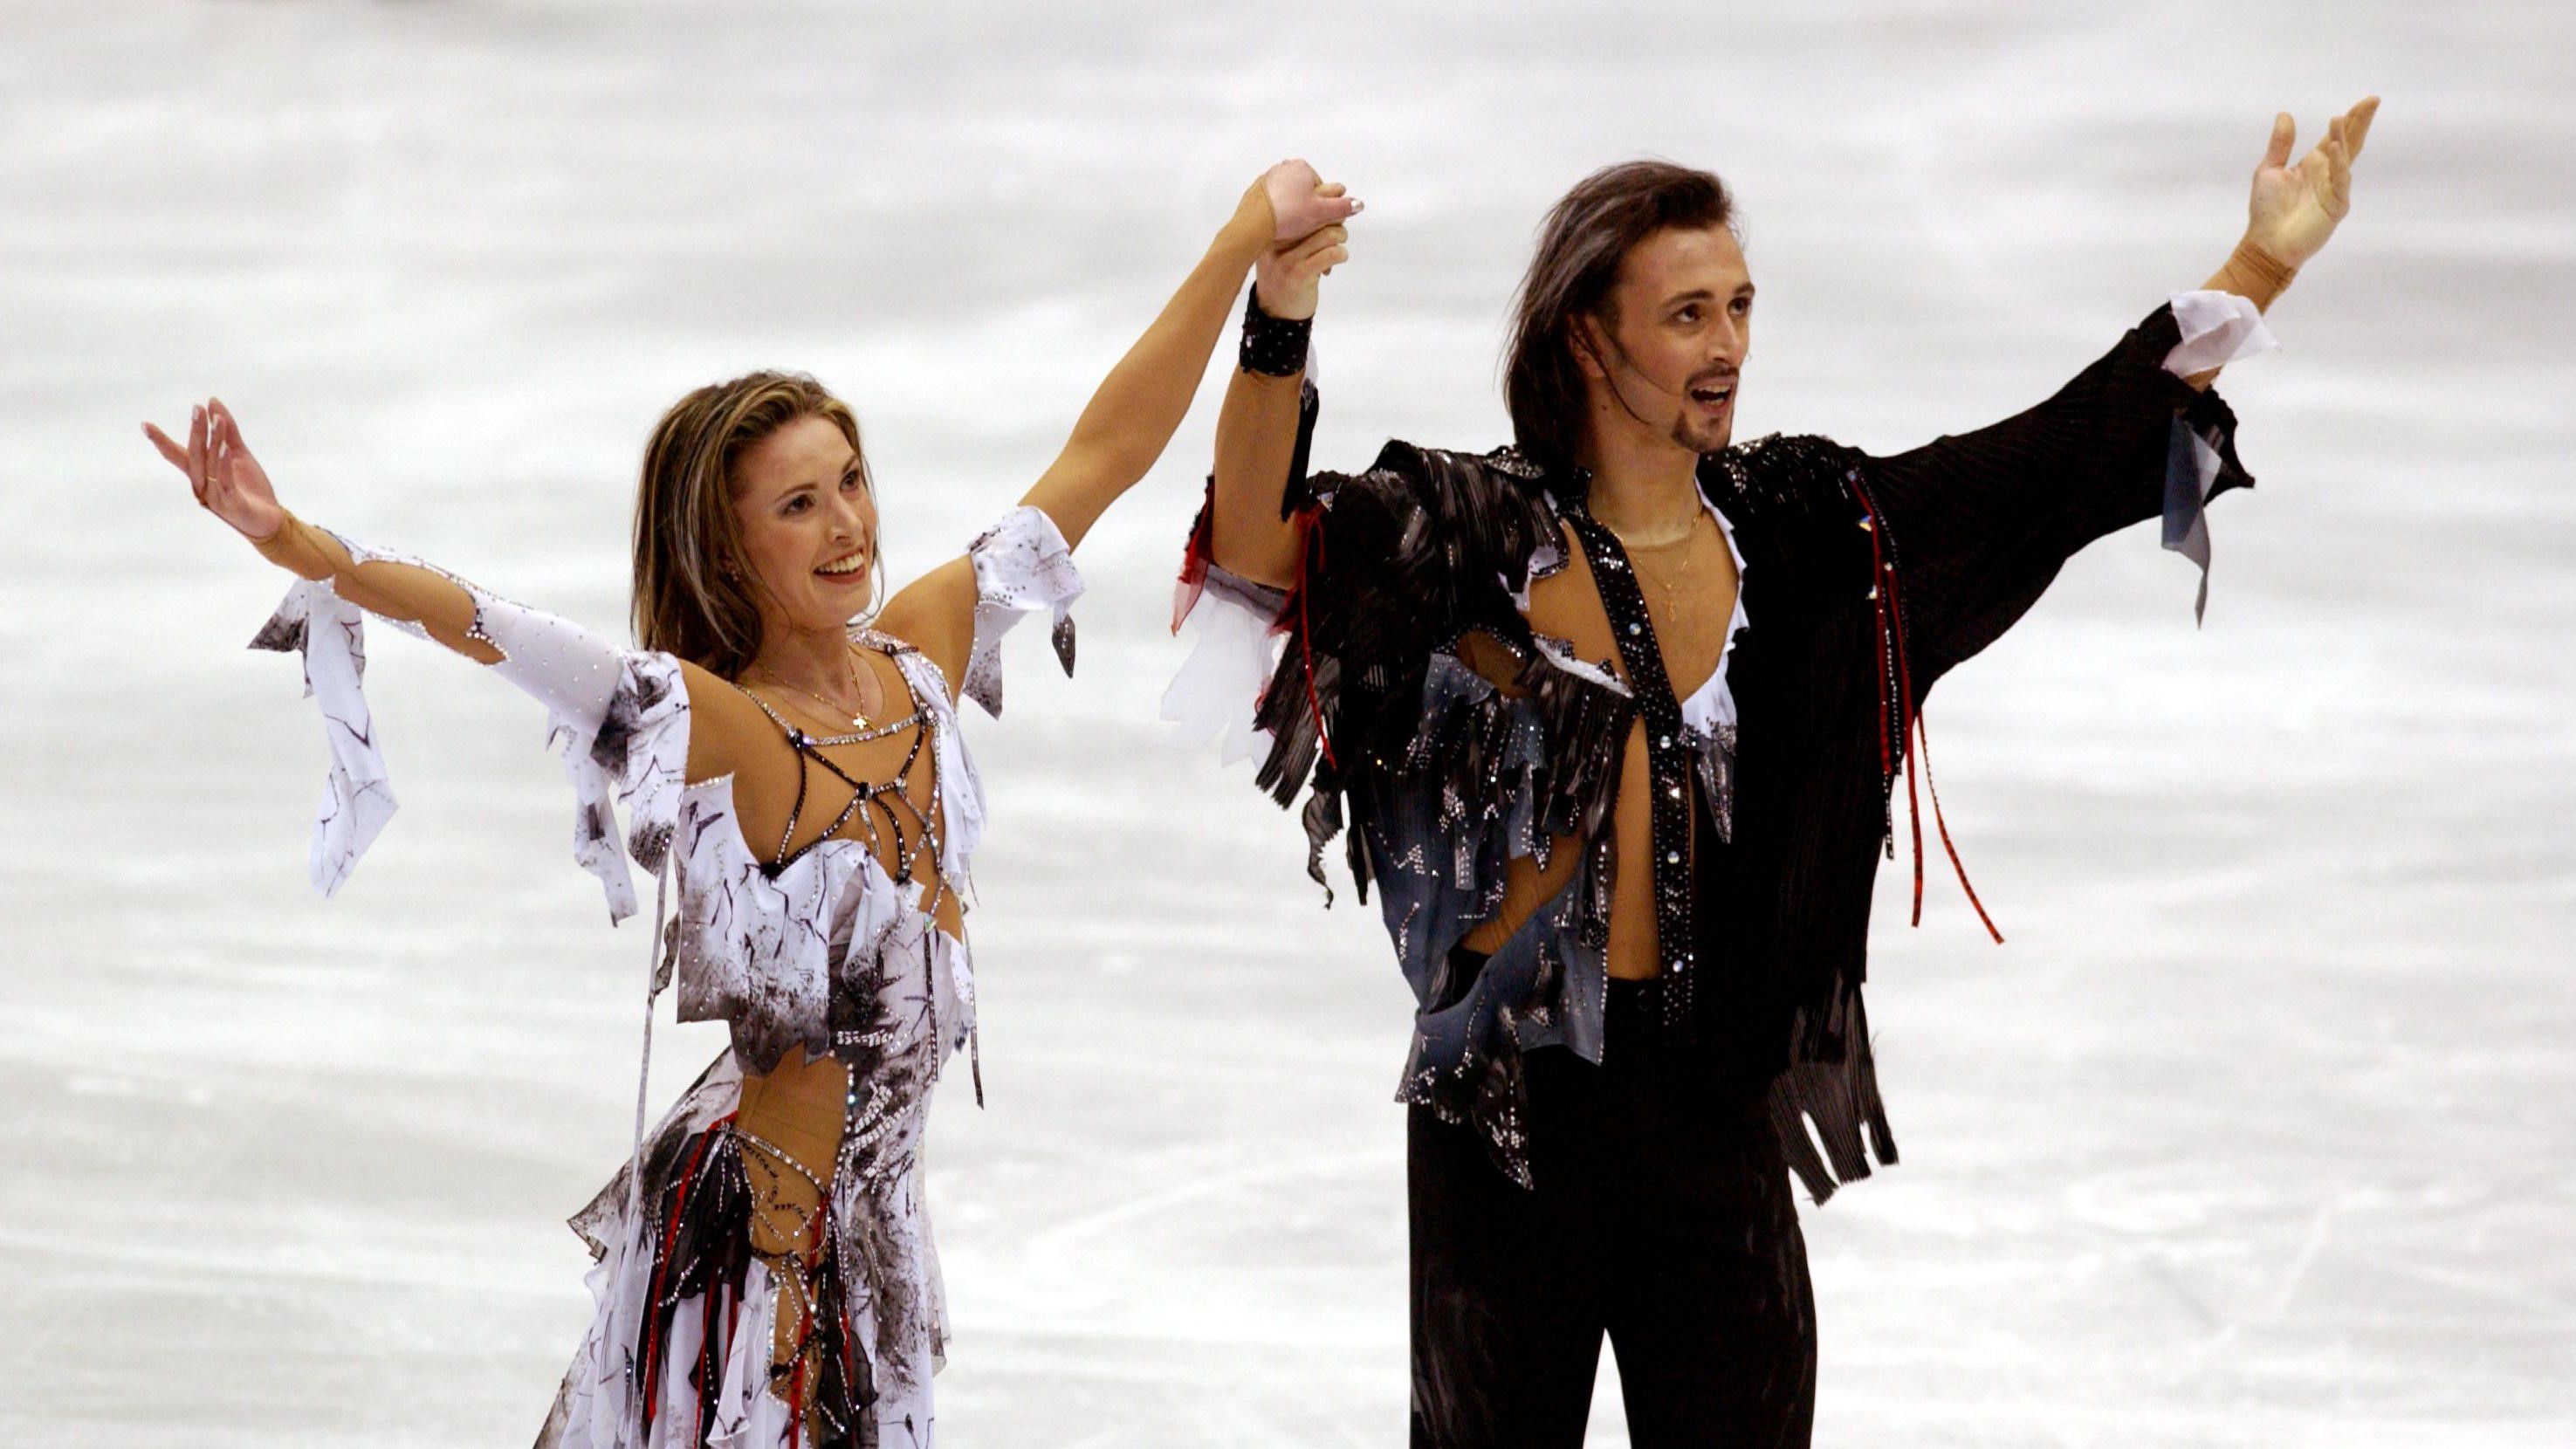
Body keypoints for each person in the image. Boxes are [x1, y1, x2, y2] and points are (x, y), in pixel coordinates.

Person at [1169, 100, 2376, 1446]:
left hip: (1712, 1128)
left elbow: (2038, 465)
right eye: (1687, 313)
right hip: (1506, 1133)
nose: (1729, 344)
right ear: (1589, 333)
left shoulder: (1803, 535)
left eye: (1739, 305)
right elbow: (1266, 552)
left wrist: (2260, 265)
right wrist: (1279, 309)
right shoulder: (1473, 536)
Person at [145, 161, 1357, 1449]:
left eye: (850, 481)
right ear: (732, 550)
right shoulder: (729, 726)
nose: (846, 526)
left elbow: (1107, 450)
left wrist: (1251, 256)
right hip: (753, 1281)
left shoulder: (921, 656)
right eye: (797, 505)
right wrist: (299, 544)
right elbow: (495, 627)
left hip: (876, 1256)